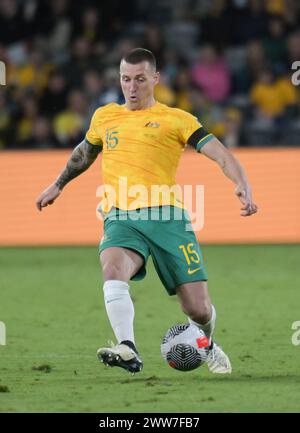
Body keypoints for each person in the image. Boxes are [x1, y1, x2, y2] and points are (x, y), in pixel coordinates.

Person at [36, 48, 258, 375]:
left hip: (167, 219)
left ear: (155, 78)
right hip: (121, 216)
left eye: (140, 79)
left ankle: (207, 343)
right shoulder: (105, 116)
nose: (132, 87)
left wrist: (242, 184)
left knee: (196, 308)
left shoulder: (177, 119)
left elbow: (221, 154)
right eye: (126, 79)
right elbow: (84, 152)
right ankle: (127, 347)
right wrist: (58, 184)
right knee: (112, 270)